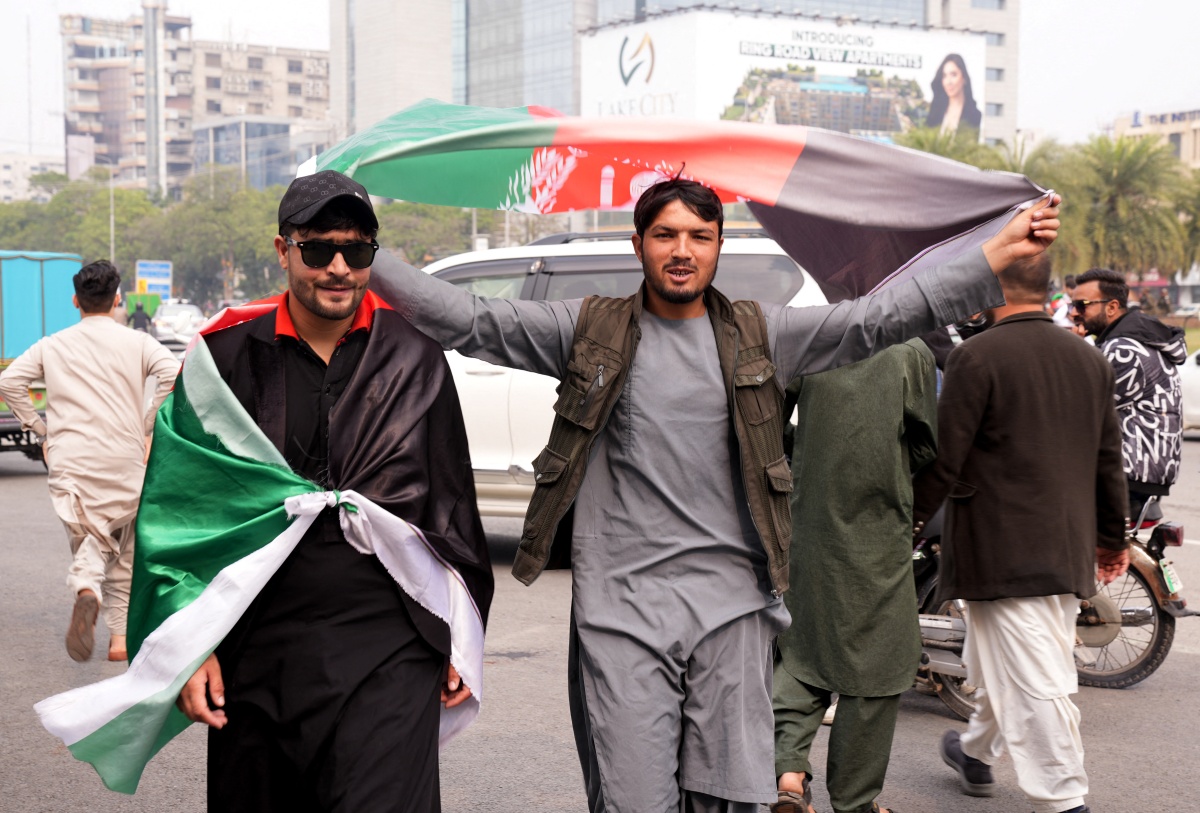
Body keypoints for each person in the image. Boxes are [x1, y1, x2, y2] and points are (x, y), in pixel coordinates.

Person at [370, 176, 1060, 812]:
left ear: (719, 247)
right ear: (638, 243)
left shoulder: (762, 334)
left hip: (732, 612)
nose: (681, 251)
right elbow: (464, 317)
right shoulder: (588, 332)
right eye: (665, 235)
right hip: (624, 613)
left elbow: (874, 319)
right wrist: (363, 253)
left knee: (728, 799)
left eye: (699, 236)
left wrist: (993, 255)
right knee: (635, 797)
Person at [172, 171, 494, 811]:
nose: (339, 268)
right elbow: (182, 513)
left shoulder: (414, 357)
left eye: (358, 251)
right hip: (257, 647)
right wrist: (190, 642)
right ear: (284, 249)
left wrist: (459, 632)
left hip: (390, 645)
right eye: (319, 249)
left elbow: (450, 506)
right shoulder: (223, 359)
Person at [912, 254, 1129, 813]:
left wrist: (908, 522)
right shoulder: (1088, 358)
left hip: (996, 550)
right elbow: (1109, 461)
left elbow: (945, 459)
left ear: (988, 292)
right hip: (1064, 546)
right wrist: (1111, 541)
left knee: (1037, 678)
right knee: (1005, 657)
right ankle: (975, 751)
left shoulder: (975, 356)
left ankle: (1063, 797)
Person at [772, 339, 938, 813]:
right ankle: (854, 800)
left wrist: (807, 455)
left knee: (805, 648)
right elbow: (926, 441)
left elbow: (769, 423)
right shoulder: (911, 351)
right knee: (877, 662)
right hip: (878, 527)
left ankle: (787, 772)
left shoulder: (812, 339)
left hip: (811, 521)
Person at [0, 260, 178, 662]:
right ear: (118, 300)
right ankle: (119, 641)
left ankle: (86, 589)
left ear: (75, 301)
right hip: (126, 458)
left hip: (72, 461)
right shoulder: (140, 343)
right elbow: (173, 373)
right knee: (124, 545)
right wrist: (148, 423)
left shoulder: (52, 344)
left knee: (89, 538)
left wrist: (41, 429)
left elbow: (9, 382)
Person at [1071, 267, 1186, 519]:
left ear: (1111, 307)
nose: (1073, 313)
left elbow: (1078, 407)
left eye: (1082, 305)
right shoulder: (1136, 340)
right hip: (1147, 471)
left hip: (1129, 472)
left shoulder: (1122, 348)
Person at [925, 54, 982, 134]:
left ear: (964, 78)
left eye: (953, 75)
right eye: (944, 76)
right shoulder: (936, 111)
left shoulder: (974, 115)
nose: (948, 82)